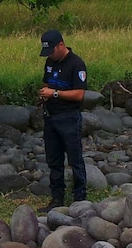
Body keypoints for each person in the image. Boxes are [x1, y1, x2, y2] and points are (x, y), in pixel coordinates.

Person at [37, 29, 87, 213]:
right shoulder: (50, 62)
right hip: (51, 116)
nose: (50, 55)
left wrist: (55, 93)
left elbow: (79, 94)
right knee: (53, 159)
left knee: (75, 158)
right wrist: (45, 93)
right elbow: (47, 83)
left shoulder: (76, 64)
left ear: (61, 44)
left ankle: (80, 197)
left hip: (69, 117)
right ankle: (57, 197)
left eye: (52, 51)